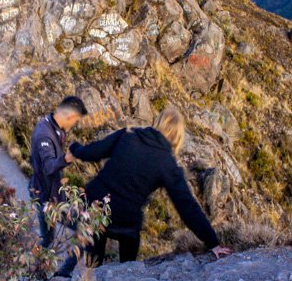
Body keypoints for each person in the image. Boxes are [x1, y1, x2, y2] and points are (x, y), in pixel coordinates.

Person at [69, 106, 232, 267]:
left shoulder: (128, 134)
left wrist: (75, 148)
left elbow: (92, 152)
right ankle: (123, 275)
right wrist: (213, 243)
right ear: (178, 136)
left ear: (157, 122)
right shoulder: (167, 164)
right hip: (124, 221)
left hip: (94, 204)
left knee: (92, 263)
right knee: (128, 263)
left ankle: (87, 280)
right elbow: (187, 206)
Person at [29, 96, 88, 250]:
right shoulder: (45, 135)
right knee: (79, 229)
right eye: (75, 121)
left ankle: (43, 264)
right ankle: (46, 269)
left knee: (50, 237)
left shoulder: (54, 127)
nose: (75, 124)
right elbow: (48, 166)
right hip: (46, 197)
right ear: (70, 116)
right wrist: (67, 158)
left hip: (53, 193)